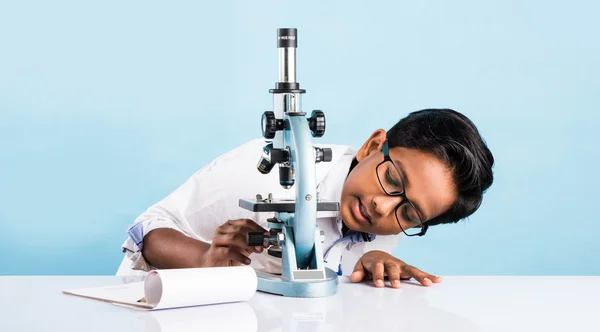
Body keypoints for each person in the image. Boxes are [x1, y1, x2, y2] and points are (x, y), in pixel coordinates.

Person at [117, 108, 494, 288]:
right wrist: (202, 260)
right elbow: (147, 228)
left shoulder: (381, 222)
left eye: (409, 212)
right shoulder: (259, 170)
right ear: (373, 145)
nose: (384, 205)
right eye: (392, 178)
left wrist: (370, 260)